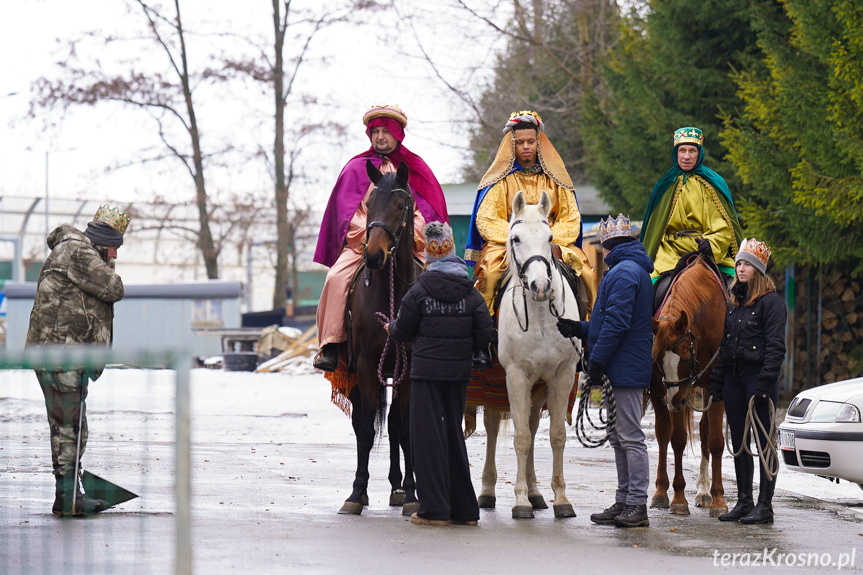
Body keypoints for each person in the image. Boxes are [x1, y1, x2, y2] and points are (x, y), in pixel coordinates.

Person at [313, 104, 448, 372]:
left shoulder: (417, 168)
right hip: (365, 244)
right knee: (336, 278)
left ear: (398, 134)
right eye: (375, 131)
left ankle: (442, 345)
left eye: (386, 131)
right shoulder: (355, 168)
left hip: (409, 246)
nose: (380, 137)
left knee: (442, 284)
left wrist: (408, 236)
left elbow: (427, 213)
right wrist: (374, 236)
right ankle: (332, 344)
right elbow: (348, 216)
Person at [385, 222, 493, 526]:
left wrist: (390, 327)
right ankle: (465, 511)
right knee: (452, 437)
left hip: (427, 374)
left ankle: (434, 510)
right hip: (458, 374)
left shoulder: (418, 291)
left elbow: (403, 330)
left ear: (429, 258)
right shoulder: (470, 293)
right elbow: (485, 329)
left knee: (427, 438)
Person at [26, 204, 129, 517]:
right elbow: (114, 288)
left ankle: (69, 494)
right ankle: (68, 497)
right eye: (113, 248)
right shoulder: (77, 252)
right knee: (69, 426)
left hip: (62, 352)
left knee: (71, 424)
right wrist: (105, 261)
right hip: (59, 353)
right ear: (102, 240)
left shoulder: (75, 252)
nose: (114, 255)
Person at [556, 214, 653, 528]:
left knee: (629, 436)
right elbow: (606, 322)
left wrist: (596, 361)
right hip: (620, 364)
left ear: (610, 243)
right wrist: (580, 328)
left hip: (622, 366)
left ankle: (636, 504)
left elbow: (617, 323)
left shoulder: (624, 273)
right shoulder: (626, 269)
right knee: (618, 436)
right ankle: (625, 500)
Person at [465, 110, 596, 316]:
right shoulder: (500, 181)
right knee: (489, 274)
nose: (526, 146)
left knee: (587, 273)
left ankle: (590, 327)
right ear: (512, 145)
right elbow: (487, 219)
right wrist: (521, 236)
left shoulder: (556, 179)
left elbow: (570, 218)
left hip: (552, 241)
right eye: (520, 142)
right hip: (508, 242)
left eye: (531, 141)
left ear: (538, 144)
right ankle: (484, 331)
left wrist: (547, 238)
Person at [708, 238, 786, 524]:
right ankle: (744, 502)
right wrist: (717, 381)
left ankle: (764, 506)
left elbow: (776, 349)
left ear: (758, 271)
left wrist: (766, 383)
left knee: (765, 443)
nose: (740, 268)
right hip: (734, 379)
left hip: (758, 380)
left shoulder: (771, 304)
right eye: (739, 263)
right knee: (739, 441)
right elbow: (725, 347)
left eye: (747, 265)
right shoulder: (734, 303)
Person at [641, 127, 743, 289]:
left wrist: (711, 244)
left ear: (699, 153)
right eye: (682, 151)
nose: (686, 156)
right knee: (646, 289)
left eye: (692, 151)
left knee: (742, 287)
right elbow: (655, 231)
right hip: (669, 255)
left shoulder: (714, 184)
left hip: (707, 254)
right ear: (676, 153)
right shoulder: (664, 186)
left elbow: (724, 229)